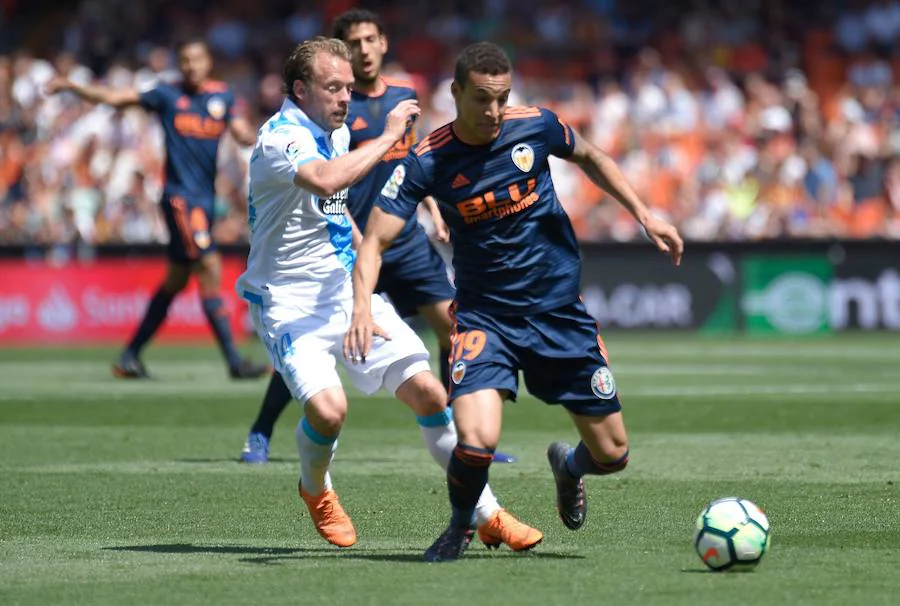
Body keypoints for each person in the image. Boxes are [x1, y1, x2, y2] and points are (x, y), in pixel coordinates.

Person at [345, 42, 684, 562]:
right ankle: (461, 525)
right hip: (487, 318)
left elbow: (592, 156)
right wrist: (362, 305)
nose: (494, 112)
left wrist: (645, 214)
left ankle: (569, 468)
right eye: (481, 99)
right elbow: (372, 239)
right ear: (456, 93)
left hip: (559, 313)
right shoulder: (428, 160)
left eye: (502, 98)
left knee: (613, 455)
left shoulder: (537, 126)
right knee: (476, 442)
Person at [237, 36, 540, 550]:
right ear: (299, 89)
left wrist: (361, 282)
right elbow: (326, 180)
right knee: (330, 411)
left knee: (429, 392)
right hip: (288, 302)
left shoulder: (326, 130)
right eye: (333, 88)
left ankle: (487, 513)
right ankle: (316, 489)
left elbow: (335, 216)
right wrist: (388, 135)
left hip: (341, 288)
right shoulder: (281, 138)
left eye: (348, 89)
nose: (343, 98)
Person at [45, 39, 269, 380]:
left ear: (208, 63)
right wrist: (75, 87)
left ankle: (129, 357)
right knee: (209, 264)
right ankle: (235, 362)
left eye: (196, 59)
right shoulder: (166, 95)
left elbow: (241, 133)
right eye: (185, 60)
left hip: (206, 201)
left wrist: (259, 135)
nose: (190, 65)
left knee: (175, 282)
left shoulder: (222, 97)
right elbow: (116, 98)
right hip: (180, 199)